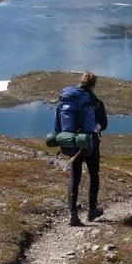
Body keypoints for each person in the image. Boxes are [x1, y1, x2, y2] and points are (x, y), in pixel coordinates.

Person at [55, 72, 108, 226]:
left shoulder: (66, 98)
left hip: (72, 143)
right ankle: (92, 210)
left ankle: (73, 214)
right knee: (93, 175)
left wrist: (64, 137)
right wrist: (93, 131)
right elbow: (103, 124)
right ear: (93, 85)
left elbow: (58, 123)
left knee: (74, 177)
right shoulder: (95, 101)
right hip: (90, 143)